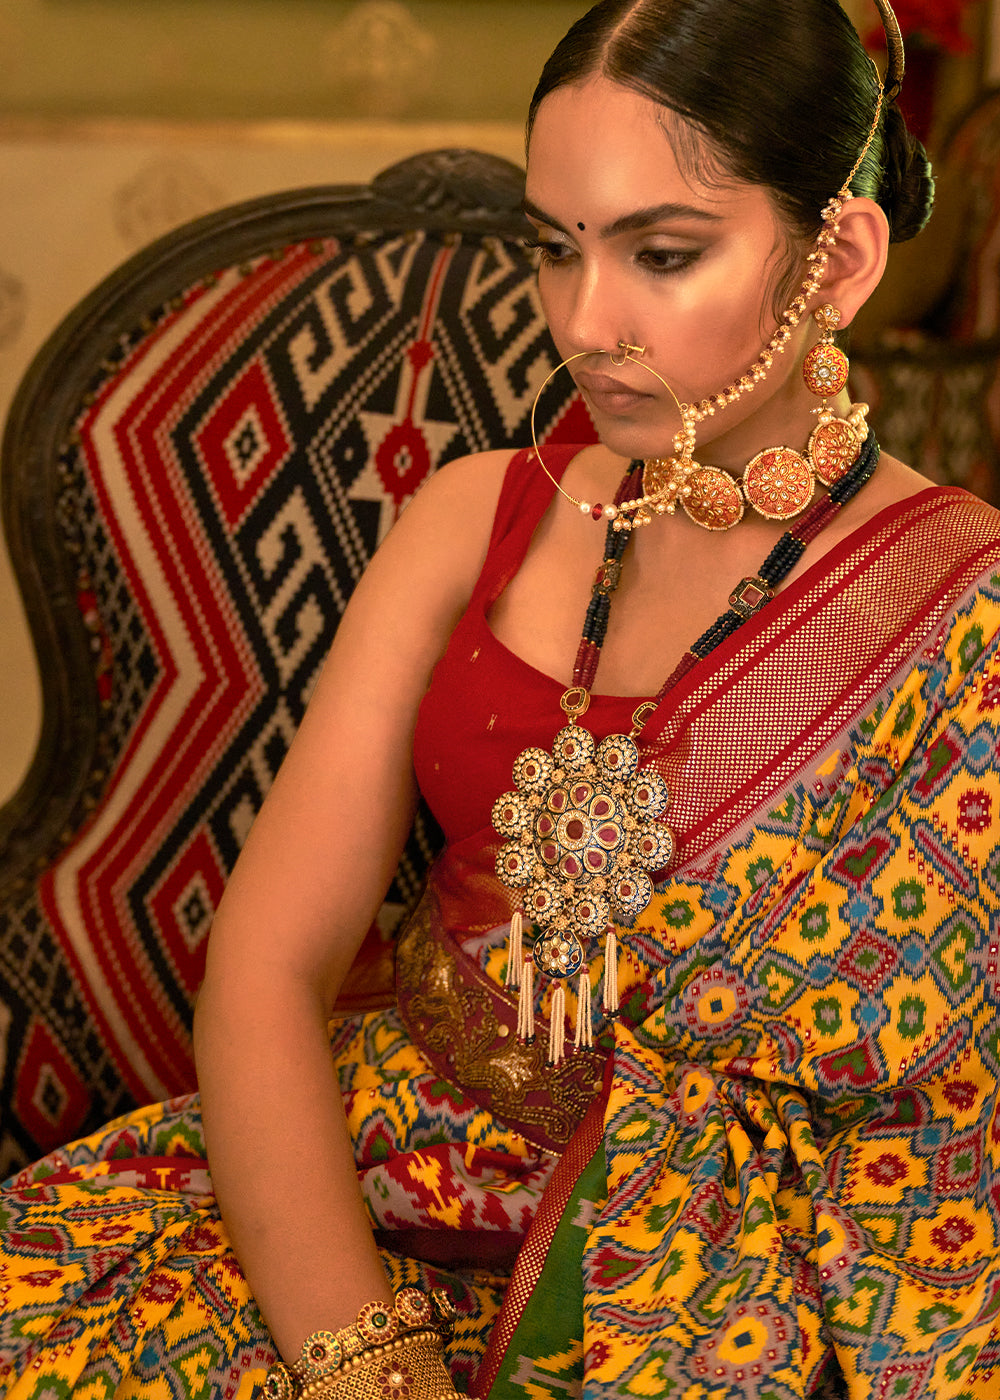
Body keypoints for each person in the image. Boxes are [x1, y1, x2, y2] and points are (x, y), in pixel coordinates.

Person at [2, 1, 999, 1397]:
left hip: (752, 1279)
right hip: (367, 1197)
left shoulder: (958, 618)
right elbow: (267, 967)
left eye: (661, 253)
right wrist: (360, 1360)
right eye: (555, 248)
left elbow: (941, 1112)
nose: (585, 325)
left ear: (835, 261)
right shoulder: (479, 518)